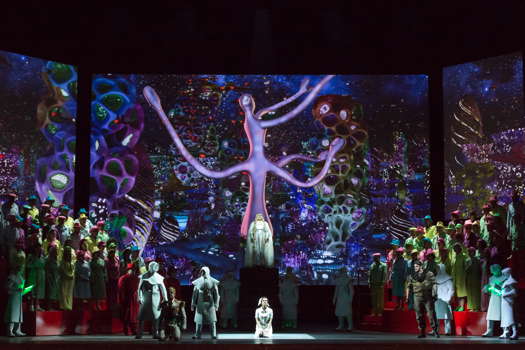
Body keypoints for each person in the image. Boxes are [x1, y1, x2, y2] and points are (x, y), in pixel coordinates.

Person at [405, 260, 439, 338]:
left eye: (416, 266)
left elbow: (434, 284)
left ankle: (435, 331)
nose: (415, 268)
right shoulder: (412, 276)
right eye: (414, 266)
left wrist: (435, 293)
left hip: (427, 296)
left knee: (431, 314)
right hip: (417, 296)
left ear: (421, 266)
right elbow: (408, 287)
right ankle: (422, 332)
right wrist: (407, 297)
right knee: (419, 315)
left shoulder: (429, 274)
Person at [136, 261, 168, 339]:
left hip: (156, 299)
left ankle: (155, 332)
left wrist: (165, 298)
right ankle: (139, 333)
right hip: (145, 298)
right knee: (141, 316)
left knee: (156, 316)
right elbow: (139, 288)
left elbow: (163, 288)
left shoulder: (159, 277)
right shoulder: (144, 276)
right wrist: (139, 297)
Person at [191, 266, 220, 340]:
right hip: (200, 303)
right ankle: (198, 334)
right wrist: (193, 303)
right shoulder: (198, 281)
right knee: (199, 320)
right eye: (201, 271)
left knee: (212, 320)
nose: (202, 273)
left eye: (203, 271)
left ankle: (213, 334)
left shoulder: (213, 281)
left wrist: (217, 304)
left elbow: (216, 294)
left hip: (210, 303)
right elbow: (195, 294)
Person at [482, 264, 506, 337]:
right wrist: (486, 288)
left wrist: (496, 287)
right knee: (490, 315)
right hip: (493, 298)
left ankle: (505, 330)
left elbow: (504, 289)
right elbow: (489, 287)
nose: (493, 272)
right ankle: (490, 330)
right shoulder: (491, 278)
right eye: (492, 271)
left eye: (494, 270)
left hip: (502, 298)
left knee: (503, 315)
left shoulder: (504, 277)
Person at [118, 263, 140, 335]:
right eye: (131, 270)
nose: (132, 271)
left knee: (134, 315)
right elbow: (121, 289)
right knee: (127, 314)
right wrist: (122, 298)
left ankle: (133, 329)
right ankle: (126, 329)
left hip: (134, 299)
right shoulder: (123, 278)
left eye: (133, 270)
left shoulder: (136, 278)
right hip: (127, 299)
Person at [5, 264, 25, 337]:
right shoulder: (12, 277)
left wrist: (23, 290)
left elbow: (21, 286)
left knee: (19, 314)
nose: (20, 270)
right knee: (12, 314)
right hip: (14, 297)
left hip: (19, 296)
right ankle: (10, 331)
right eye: (19, 268)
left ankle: (17, 330)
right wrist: (16, 289)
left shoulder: (20, 276)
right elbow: (7, 287)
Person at [435, 263, 454, 335]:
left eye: (438, 268)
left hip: (446, 299)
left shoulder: (448, 279)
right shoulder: (436, 278)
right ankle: (435, 329)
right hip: (438, 299)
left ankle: (448, 331)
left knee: (446, 316)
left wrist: (449, 298)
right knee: (436, 315)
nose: (437, 270)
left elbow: (451, 289)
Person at [500, 267, 518, 340]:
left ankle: (514, 333)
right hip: (504, 302)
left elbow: (514, 292)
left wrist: (505, 295)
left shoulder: (512, 281)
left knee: (511, 318)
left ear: (508, 273)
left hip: (509, 302)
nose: (503, 275)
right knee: (505, 318)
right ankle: (506, 332)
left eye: (504, 274)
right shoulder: (506, 281)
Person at [26, 244, 46, 311]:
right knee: (32, 290)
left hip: (40, 275)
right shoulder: (31, 256)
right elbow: (28, 265)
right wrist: (33, 264)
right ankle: (31, 305)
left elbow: (44, 265)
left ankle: (37, 305)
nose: (39, 250)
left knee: (39, 290)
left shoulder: (42, 257)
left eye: (40, 249)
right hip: (33, 274)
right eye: (37, 248)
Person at [333, 267, 354, 331]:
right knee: (339, 312)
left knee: (347, 312)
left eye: (344, 271)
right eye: (342, 271)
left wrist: (350, 298)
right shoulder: (338, 280)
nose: (342, 273)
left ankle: (350, 325)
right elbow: (336, 290)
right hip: (340, 298)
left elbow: (351, 290)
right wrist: (334, 298)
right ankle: (340, 325)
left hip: (346, 297)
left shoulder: (348, 280)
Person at [451, 243, 467, 311]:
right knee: (457, 293)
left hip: (461, 278)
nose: (455, 250)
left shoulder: (463, 257)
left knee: (462, 292)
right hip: (455, 278)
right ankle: (459, 305)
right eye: (454, 249)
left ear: (460, 249)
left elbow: (466, 268)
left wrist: (464, 277)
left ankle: (462, 306)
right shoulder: (454, 257)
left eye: (456, 248)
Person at [465, 246, 482, 311]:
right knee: (470, 293)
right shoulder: (467, 260)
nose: (469, 253)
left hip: (476, 279)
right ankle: (471, 307)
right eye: (468, 252)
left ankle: (477, 307)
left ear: (474, 252)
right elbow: (466, 270)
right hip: (469, 279)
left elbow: (480, 270)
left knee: (476, 293)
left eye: (471, 252)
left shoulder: (478, 260)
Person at [59, 246, 75, 311]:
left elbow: (73, 270)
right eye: (67, 251)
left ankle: (69, 305)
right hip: (64, 279)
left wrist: (71, 275)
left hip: (71, 280)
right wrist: (68, 275)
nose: (68, 253)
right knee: (63, 292)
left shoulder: (72, 261)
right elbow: (62, 270)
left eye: (69, 251)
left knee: (69, 292)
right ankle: (64, 305)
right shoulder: (62, 261)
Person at [45, 245, 60, 310]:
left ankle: (52, 306)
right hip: (50, 278)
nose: (56, 253)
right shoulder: (48, 259)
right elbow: (46, 269)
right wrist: (49, 277)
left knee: (53, 293)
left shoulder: (56, 259)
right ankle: (49, 307)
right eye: (55, 251)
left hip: (55, 278)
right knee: (50, 293)